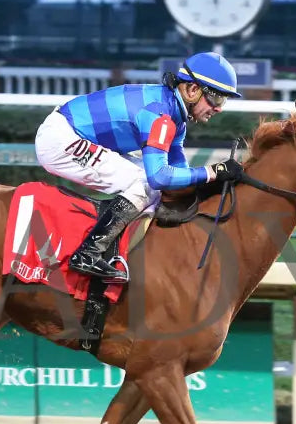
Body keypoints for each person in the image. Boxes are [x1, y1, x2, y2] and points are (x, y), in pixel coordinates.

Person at [34, 51, 244, 283]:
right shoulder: (160, 116)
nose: (219, 108)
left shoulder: (175, 117)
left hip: (71, 130)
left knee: (151, 185)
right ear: (193, 90)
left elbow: (179, 173)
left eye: (223, 101)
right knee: (145, 183)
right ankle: (88, 253)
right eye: (217, 99)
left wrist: (212, 179)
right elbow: (160, 177)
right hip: (60, 139)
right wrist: (212, 172)